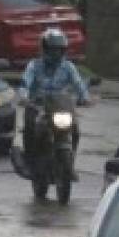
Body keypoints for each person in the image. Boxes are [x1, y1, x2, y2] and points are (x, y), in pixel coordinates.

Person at [18, 28, 90, 177]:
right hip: (38, 107)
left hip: (60, 106)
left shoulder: (68, 67)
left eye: (59, 50)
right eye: (52, 50)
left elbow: (78, 83)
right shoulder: (34, 65)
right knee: (31, 127)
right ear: (44, 49)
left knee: (75, 129)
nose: (56, 53)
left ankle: (70, 161)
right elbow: (25, 82)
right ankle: (30, 163)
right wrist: (24, 97)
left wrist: (85, 97)